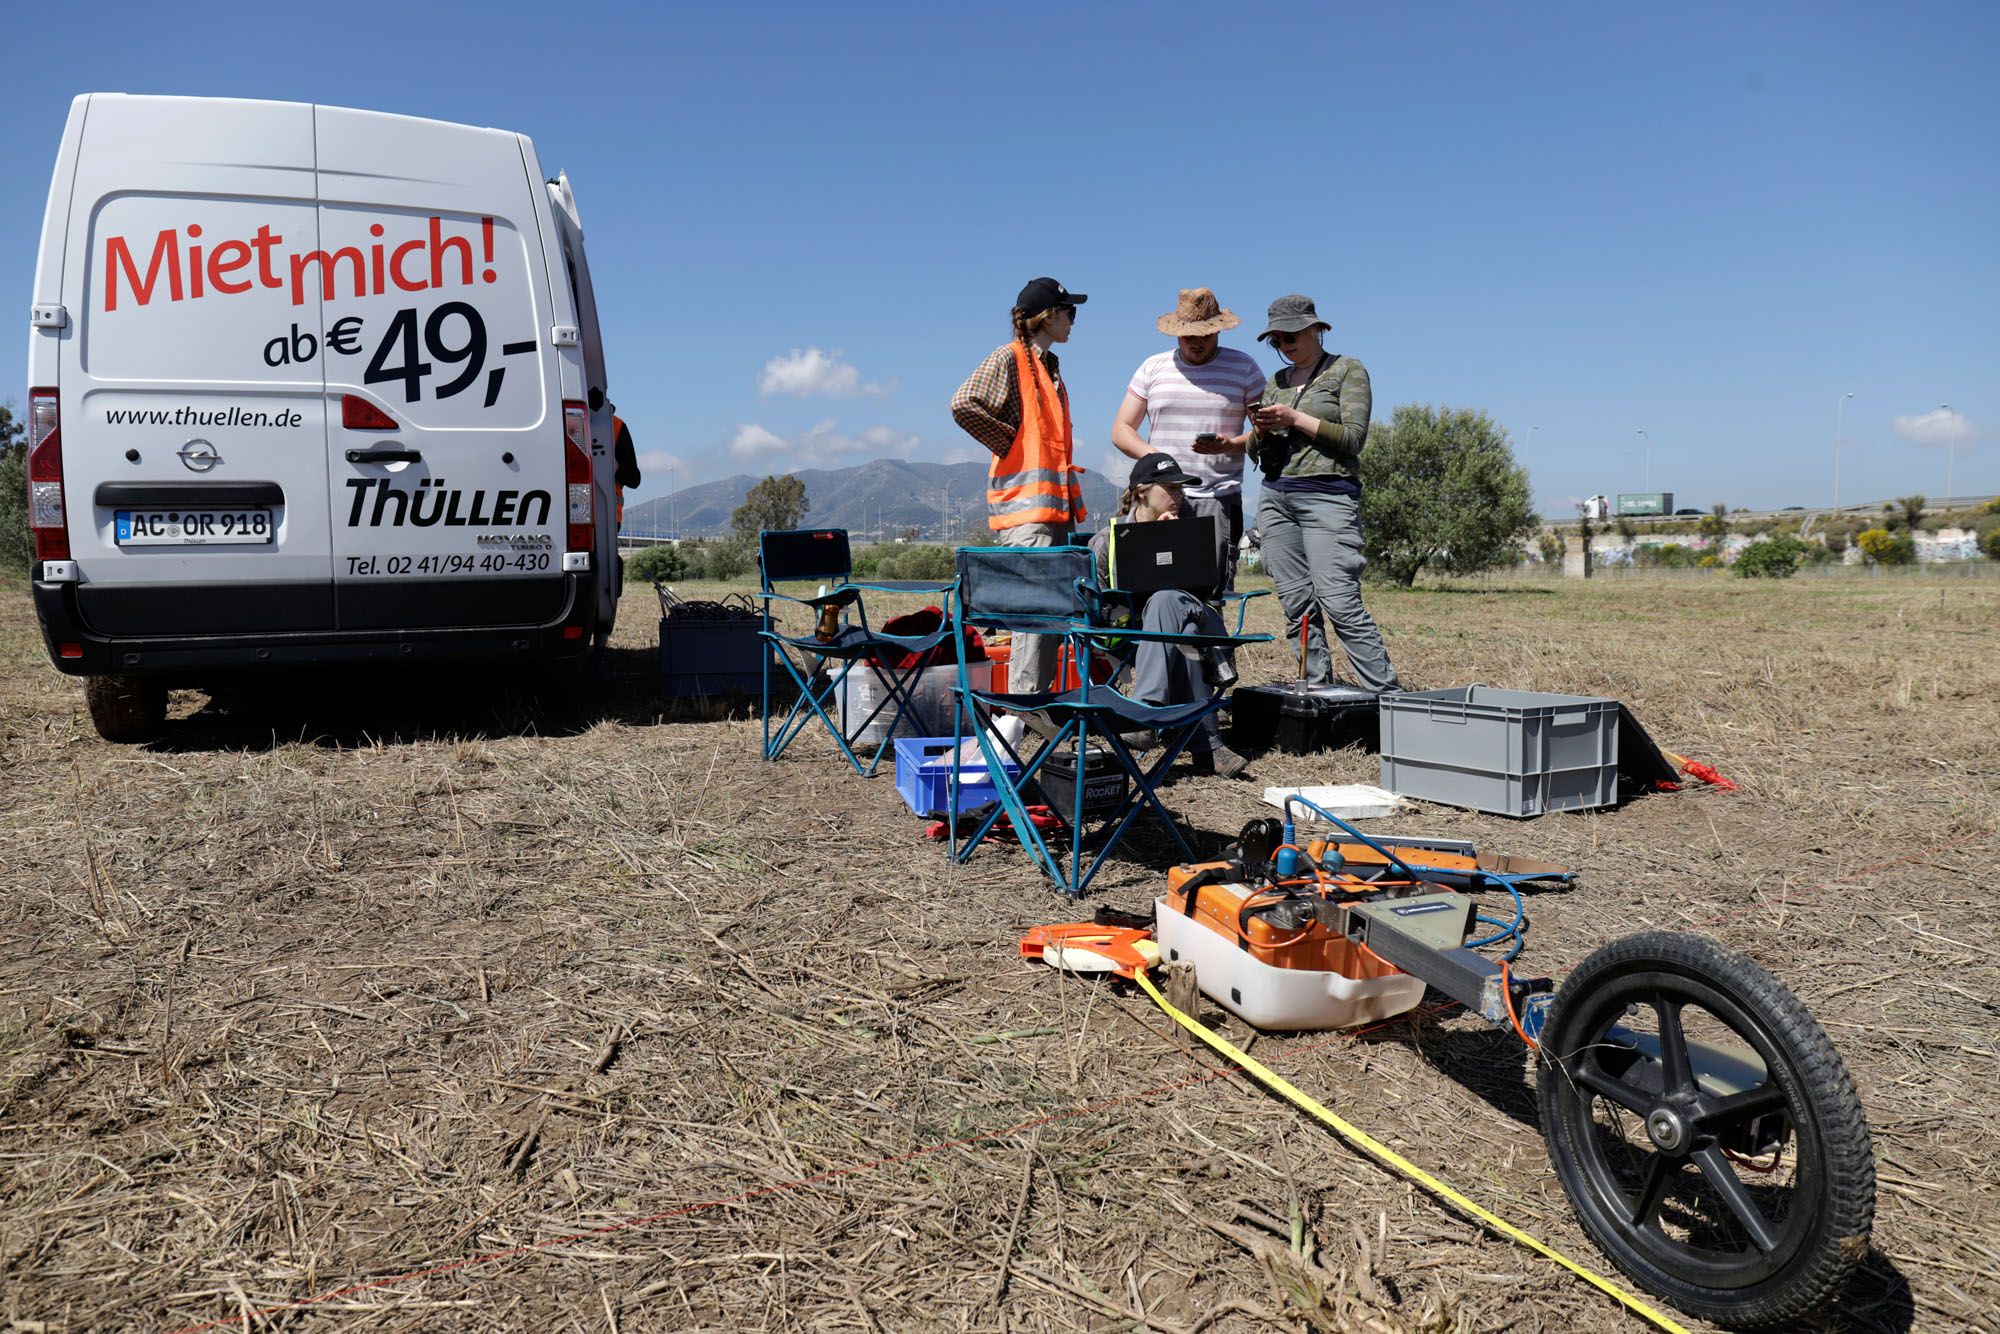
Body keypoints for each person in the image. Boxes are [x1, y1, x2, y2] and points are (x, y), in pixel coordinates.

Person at [1246, 295, 1402, 692]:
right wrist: (1259, 429)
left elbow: (1353, 438)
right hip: (1277, 497)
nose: (1285, 344)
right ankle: (1317, 692)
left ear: (1317, 329)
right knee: (1297, 604)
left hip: (1327, 497)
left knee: (1339, 601)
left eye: (1292, 334)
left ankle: (1387, 699)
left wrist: (1295, 417)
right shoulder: (1276, 383)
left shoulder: (1346, 370)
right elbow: (1255, 448)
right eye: (1277, 339)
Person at [950, 277, 1090, 694]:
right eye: (1070, 311)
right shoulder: (1008, 358)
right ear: (1048, 317)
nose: (1073, 321)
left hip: (1050, 514)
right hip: (1027, 516)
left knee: (1046, 619)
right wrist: (1007, 441)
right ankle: (1025, 705)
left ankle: (1034, 702)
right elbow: (963, 403)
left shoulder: (1048, 368)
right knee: (1035, 617)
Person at [1088, 453, 1250, 779]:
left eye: (1181, 491)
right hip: (1138, 640)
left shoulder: (1194, 533)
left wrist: (1174, 543)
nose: (1178, 497)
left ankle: (1145, 712)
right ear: (1142, 491)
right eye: (1171, 489)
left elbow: (1210, 591)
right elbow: (1096, 606)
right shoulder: (1108, 542)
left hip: (1204, 621)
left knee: (1169, 604)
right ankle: (1208, 748)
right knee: (1183, 636)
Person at [1110, 288, 1264, 593]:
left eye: (1205, 334)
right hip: (1158, 499)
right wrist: (1158, 461)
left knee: (1211, 595)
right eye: (1188, 335)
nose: (1197, 341)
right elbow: (1121, 430)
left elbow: (1269, 432)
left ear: (1218, 329)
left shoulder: (1244, 367)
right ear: (1175, 333)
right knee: (1149, 588)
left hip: (1217, 501)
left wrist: (1231, 445)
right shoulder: (1152, 368)